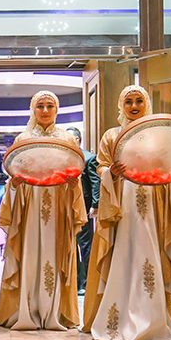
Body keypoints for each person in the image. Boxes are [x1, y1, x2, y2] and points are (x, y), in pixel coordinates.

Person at [82, 84, 171, 340]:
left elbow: (168, 168)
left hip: (154, 205)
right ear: (121, 105)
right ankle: (117, 319)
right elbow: (102, 167)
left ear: (146, 104)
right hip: (122, 205)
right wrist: (111, 174)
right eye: (129, 101)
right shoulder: (112, 136)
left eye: (139, 101)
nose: (134, 106)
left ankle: (152, 318)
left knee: (150, 250)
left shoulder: (159, 135)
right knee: (124, 251)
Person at [0, 90, 87, 331]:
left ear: (57, 109)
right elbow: (15, 173)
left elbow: (74, 173)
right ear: (33, 109)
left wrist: (72, 184)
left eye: (50, 106)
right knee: (30, 252)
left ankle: (55, 312)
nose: (45, 110)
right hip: (30, 204)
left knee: (56, 252)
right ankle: (27, 309)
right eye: (40, 106)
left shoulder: (67, 140)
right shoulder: (23, 140)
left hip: (59, 204)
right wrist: (15, 184)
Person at [66, 126, 100, 295]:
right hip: (66, 205)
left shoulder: (89, 157)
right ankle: (74, 280)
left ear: (77, 140)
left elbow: (95, 182)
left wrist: (95, 204)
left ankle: (86, 283)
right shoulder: (63, 158)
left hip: (84, 206)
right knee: (69, 243)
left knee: (85, 245)